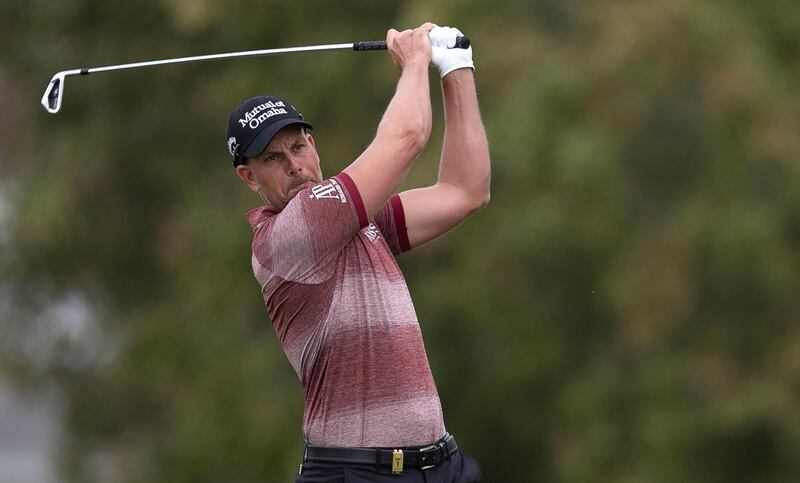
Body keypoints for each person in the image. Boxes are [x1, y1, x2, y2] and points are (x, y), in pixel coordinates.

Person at [226, 22, 490, 482]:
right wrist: (413, 63)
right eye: (272, 158)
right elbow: (407, 138)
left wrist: (456, 67)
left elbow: (465, 190)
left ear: (314, 143)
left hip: (441, 466)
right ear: (249, 178)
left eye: (298, 146)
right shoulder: (292, 233)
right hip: (357, 472)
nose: (295, 166)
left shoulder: (361, 222)